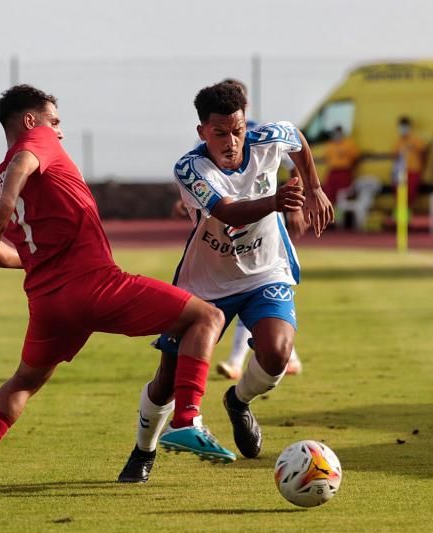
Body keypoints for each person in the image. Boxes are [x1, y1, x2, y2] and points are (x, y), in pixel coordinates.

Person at [0, 84, 236, 490]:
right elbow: (24, 161)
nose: (59, 132)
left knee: (23, 383)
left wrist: (27, 251)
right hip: (95, 286)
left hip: (47, 303)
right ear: (31, 121)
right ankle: (187, 419)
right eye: (55, 121)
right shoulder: (34, 144)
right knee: (207, 317)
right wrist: (9, 202)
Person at [117, 81, 332, 483]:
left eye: (237, 130)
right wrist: (277, 201)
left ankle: (238, 401)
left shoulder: (267, 138)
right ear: (202, 132)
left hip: (266, 270)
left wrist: (315, 187)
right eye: (220, 133)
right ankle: (143, 452)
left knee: (278, 351)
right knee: (166, 382)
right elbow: (230, 213)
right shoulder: (190, 168)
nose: (231, 141)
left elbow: (298, 140)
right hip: (206, 284)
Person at [212, 78, 305, 382]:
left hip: (263, 228)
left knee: (253, 287)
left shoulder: (260, 132)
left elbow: (295, 154)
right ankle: (286, 354)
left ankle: (238, 360)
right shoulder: (215, 134)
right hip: (228, 231)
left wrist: (298, 200)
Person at [392, 116, 426, 208]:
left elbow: (424, 153)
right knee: (400, 196)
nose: (402, 129)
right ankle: (401, 220)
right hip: (400, 172)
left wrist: (422, 167)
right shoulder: (398, 141)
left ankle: (408, 219)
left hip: (413, 171)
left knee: (410, 196)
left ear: (409, 127)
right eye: (400, 126)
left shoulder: (416, 140)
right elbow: (395, 157)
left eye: (404, 126)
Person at [321, 125, 360, 205]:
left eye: (338, 133)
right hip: (332, 172)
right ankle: (330, 214)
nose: (336, 135)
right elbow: (327, 158)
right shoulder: (330, 145)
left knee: (342, 196)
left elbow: (356, 158)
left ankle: (339, 216)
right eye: (335, 133)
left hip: (344, 172)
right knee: (329, 194)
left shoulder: (349, 144)